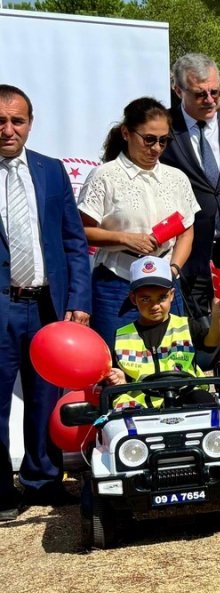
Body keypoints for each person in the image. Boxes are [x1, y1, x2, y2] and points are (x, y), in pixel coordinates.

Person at [0, 85, 93, 518]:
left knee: (45, 398)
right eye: (0, 121)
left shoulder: (51, 171)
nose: (8, 129)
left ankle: (42, 481)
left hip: (47, 307)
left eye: (17, 121)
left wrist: (79, 299)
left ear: (30, 124)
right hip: (2, 306)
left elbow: (74, 240)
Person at [79, 97, 199, 350]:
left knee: (171, 357)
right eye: (149, 139)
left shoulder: (176, 178)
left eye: (163, 141)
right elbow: (81, 231)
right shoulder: (105, 176)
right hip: (117, 283)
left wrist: (173, 270)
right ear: (126, 133)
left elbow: (187, 232)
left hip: (165, 283)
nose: (156, 148)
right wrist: (125, 238)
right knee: (116, 358)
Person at [159, 53, 220, 334]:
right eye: (200, 94)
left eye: (215, 92)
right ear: (178, 90)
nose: (210, 100)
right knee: (193, 337)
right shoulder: (163, 128)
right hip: (185, 257)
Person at [102, 256, 220, 409]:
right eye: (146, 299)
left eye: (162, 298)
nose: (155, 306)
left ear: (172, 295)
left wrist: (218, 315)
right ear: (133, 299)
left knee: (203, 399)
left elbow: (213, 342)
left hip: (186, 395)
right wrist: (119, 380)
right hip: (142, 406)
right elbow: (119, 379)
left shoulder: (185, 325)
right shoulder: (122, 337)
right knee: (121, 410)